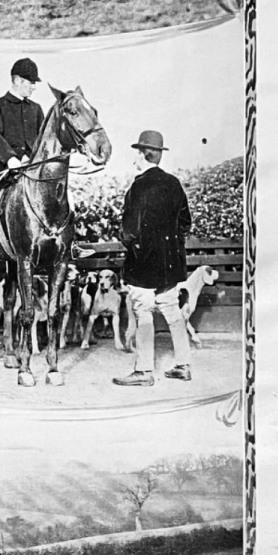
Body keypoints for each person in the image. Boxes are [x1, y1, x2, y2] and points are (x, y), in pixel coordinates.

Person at [113, 130, 193, 388]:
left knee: (143, 311)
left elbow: (128, 230)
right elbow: (185, 222)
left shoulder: (139, 185)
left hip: (144, 262)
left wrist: (135, 247)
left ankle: (144, 370)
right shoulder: (173, 183)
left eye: (136, 152)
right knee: (171, 309)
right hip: (171, 262)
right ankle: (183, 365)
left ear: (141, 154)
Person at [0, 59, 46, 262]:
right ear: (18, 80)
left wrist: (30, 157)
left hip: (31, 167)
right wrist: (10, 157)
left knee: (60, 193)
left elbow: (42, 139)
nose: (34, 87)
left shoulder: (36, 109)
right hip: (2, 167)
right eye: (30, 82)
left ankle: (69, 243)